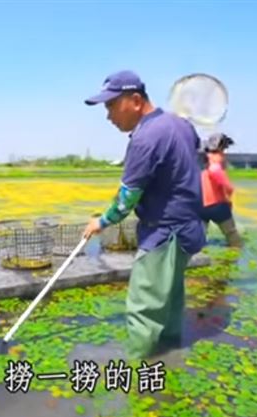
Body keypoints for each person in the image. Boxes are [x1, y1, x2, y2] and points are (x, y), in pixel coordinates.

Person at [82, 70, 206, 359]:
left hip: (165, 231)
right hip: (190, 228)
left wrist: (100, 222)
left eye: (112, 105)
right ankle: (171, 357)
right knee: (171, 299)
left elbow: (127, 198)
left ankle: (140, 374)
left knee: (144, 306)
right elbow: (191, 157)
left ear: (135, 100)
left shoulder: (145, 139)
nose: (109, 116)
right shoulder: (181, 125)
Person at [200, 133, 243, 248]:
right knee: (232, 234)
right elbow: (215, 172)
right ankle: (236, 250)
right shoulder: (215, 158)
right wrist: (229, 189)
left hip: (200, 204)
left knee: (199, 237)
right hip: (217, 204)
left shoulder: (200, 158)